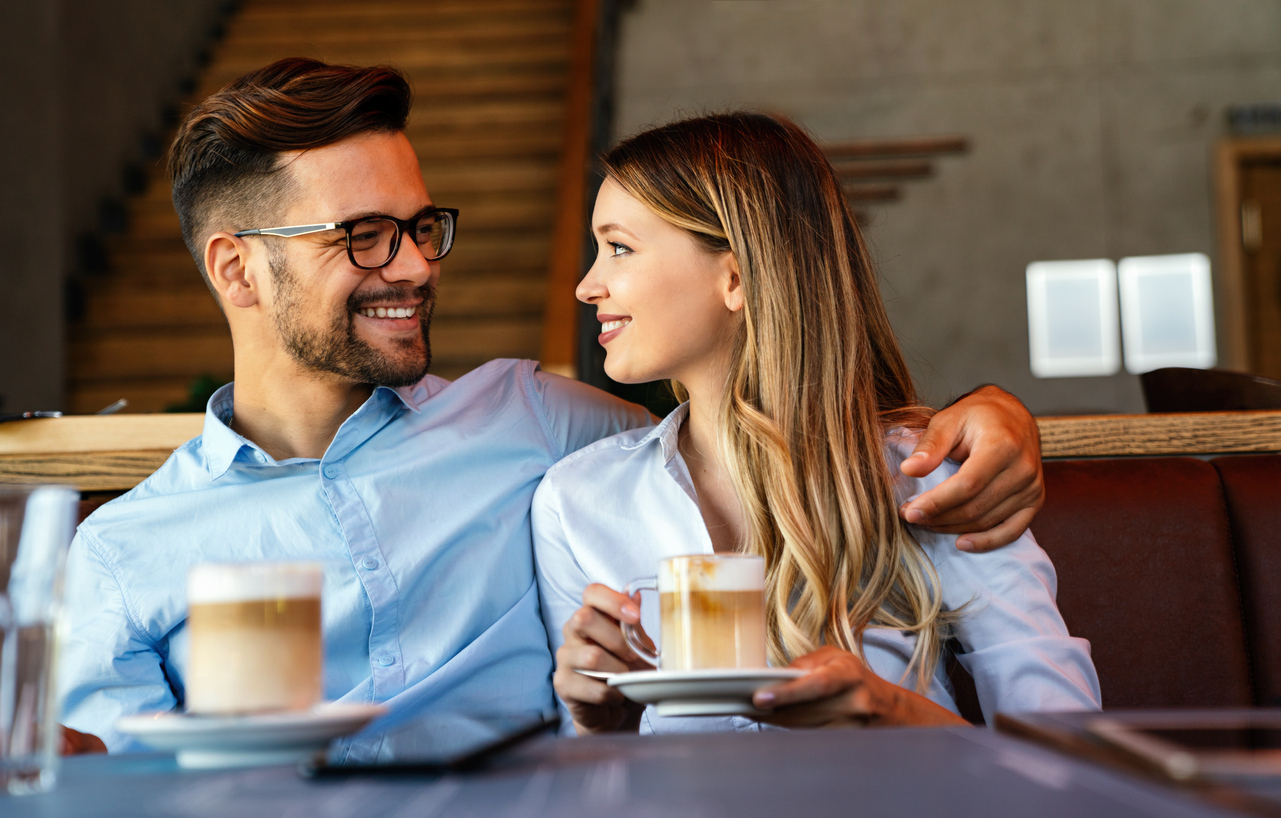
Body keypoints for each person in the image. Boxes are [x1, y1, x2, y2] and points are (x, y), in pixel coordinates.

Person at [58, 60, 1047, 757]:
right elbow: (109, 788)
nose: (414, 264)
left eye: (419, 226)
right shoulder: (122, 552)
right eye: (363, 235)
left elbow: (750, 425)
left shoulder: (532, 424)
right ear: (237, 266)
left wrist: (994, 413)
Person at [533, 113, 1101, 737]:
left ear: (737, 276)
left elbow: (1074, 765)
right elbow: (583, 790)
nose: (587, 286)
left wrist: (893, 713)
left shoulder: (927, 478)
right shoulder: (574, 502)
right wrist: (596, 730)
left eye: (618, 247)